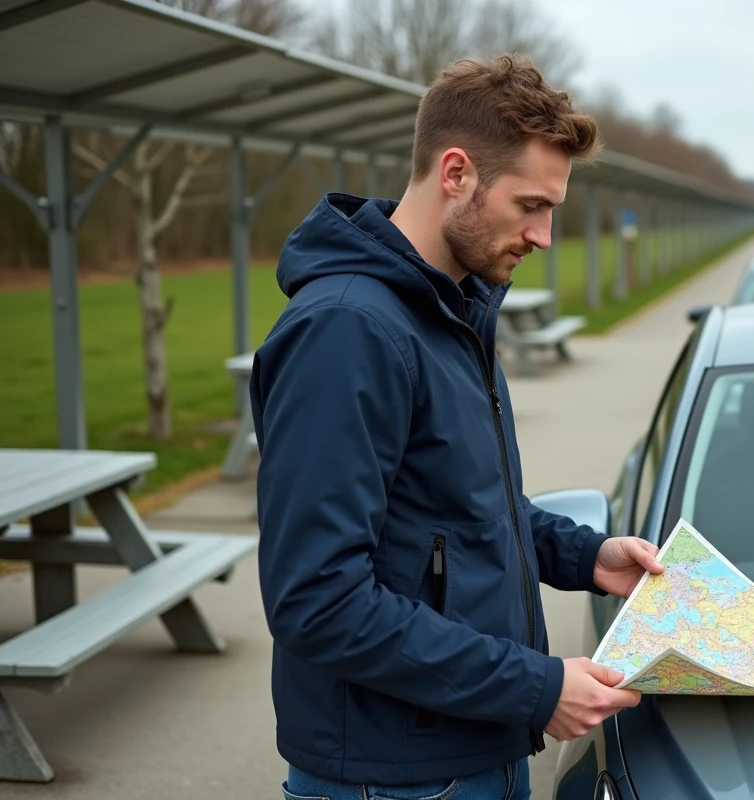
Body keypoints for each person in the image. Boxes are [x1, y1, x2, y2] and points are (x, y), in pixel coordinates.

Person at [249, 53, 665, 800]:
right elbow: (318, 600)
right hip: (395, 779)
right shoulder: (349, 331)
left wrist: (586, 556)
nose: (542, 235)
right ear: (455, 173)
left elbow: (459, 510)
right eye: (530, 205)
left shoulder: (449, 310)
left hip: (468, 750)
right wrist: (536, 687)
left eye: (553, 211)